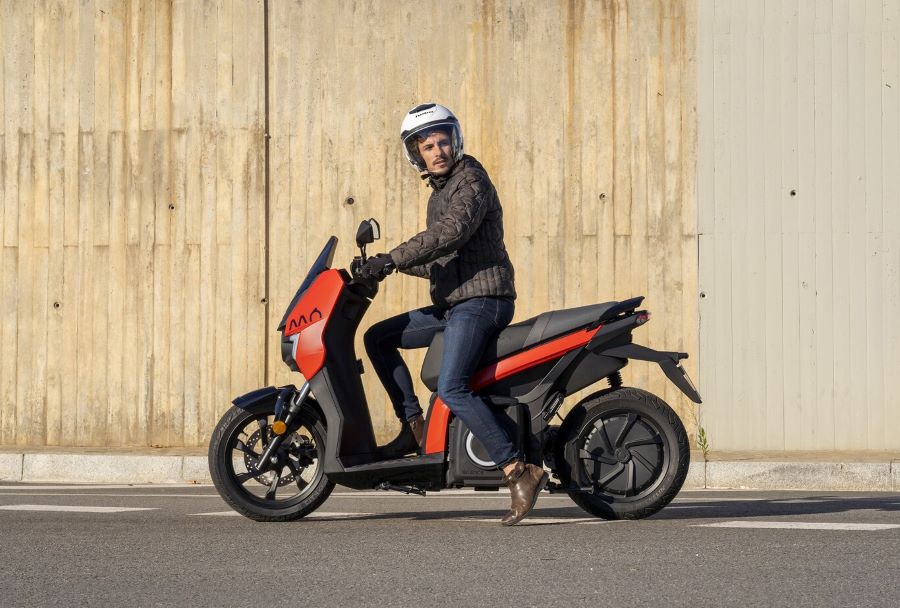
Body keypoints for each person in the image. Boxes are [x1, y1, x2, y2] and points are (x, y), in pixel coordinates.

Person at [360, 103, 547, 525]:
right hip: (454, 303)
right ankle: (414, 427)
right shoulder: (440, 193)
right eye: (428, 145)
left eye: (443, 140)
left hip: (484, 300)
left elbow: (451, 234)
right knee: (378, 337)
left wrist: (394, 256)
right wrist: (383, 267)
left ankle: (518, 469)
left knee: (453, 386)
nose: (438, 150)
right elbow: (440, 260)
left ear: (455, 140)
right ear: (417, 154)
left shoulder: (471, 180)